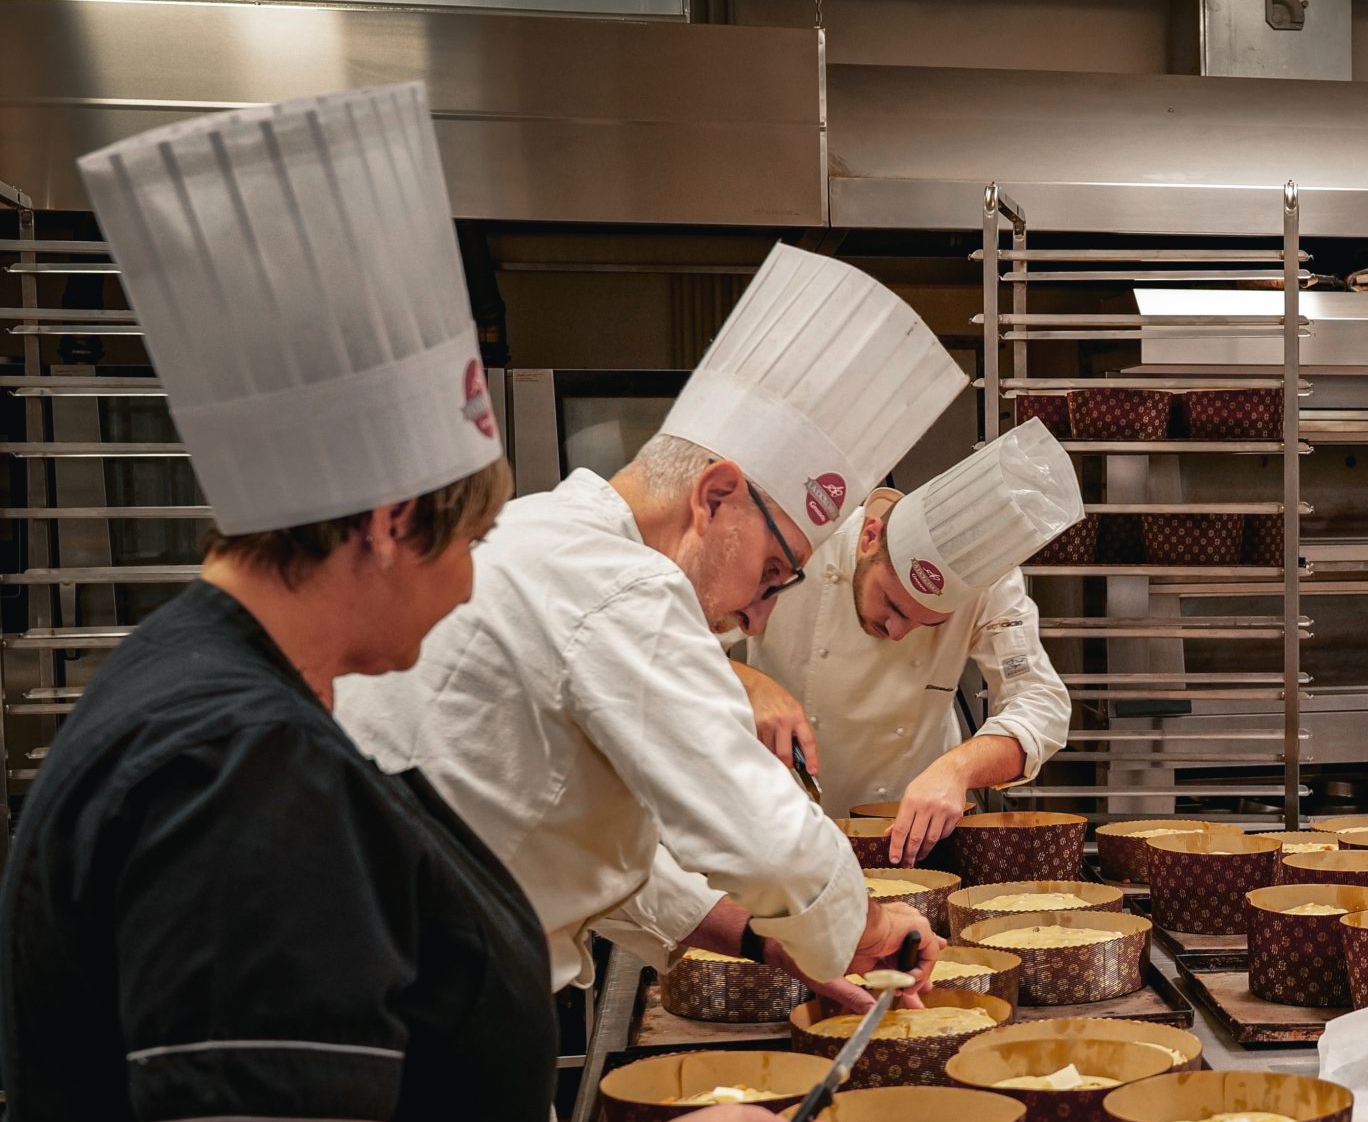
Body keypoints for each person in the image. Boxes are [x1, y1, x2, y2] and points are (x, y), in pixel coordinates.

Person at [0, 86, 834, 1122]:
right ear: (387, 522)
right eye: (467, 538)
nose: (476, 581)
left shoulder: (221, 689)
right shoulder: (235, 760)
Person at [337, 244, 957, 1007]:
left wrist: (767, 942)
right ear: (715, 496)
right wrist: (865, 922)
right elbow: (765, 839)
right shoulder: (622, 581)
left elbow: (592, 849)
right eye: (771, 572)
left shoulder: (541, 530)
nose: (759, 614)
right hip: (420, 1004)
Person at [730, 418, 1083, 864]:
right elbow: (674, 639)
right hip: (777, 828)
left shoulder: (988, 587)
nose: (897, 633)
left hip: (908, 842)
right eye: (892, 604)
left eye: (928, 624)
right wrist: (752, 685)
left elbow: (1040, 702)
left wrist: (958, 769)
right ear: (869, 537)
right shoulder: (804, 543)